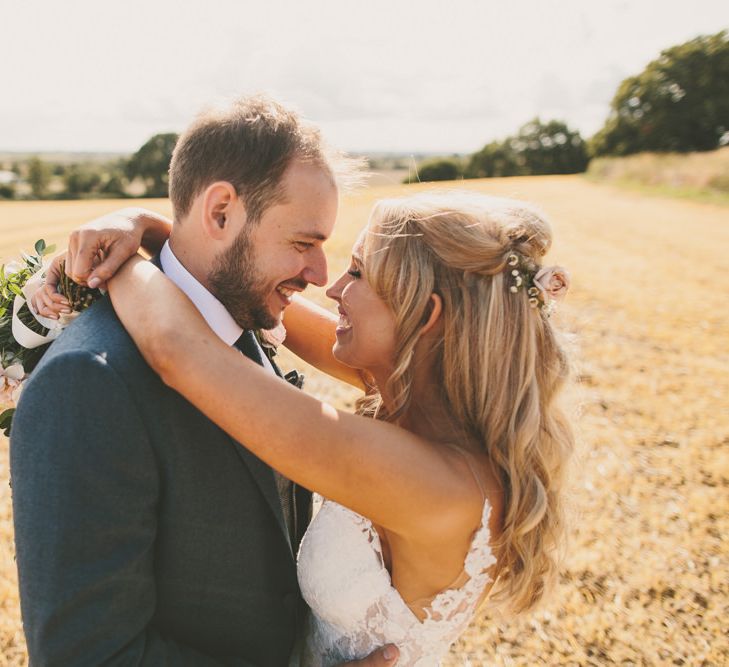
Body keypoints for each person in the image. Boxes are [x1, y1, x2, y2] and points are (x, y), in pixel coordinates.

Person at [34, 189, 574, 664]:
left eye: (359, 272)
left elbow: (179, 352)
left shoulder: (435, 486)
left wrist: (113, 262)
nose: (333, 287)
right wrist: (148, 227)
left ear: (425, 316)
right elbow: (259, 302)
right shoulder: (425, 392)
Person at [11, 95, 395, 666]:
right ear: (220, 213)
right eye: (302, 243)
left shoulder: (247, 320)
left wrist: (144, 226)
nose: (319, 275)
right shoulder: (89, 384)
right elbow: (87, 655)